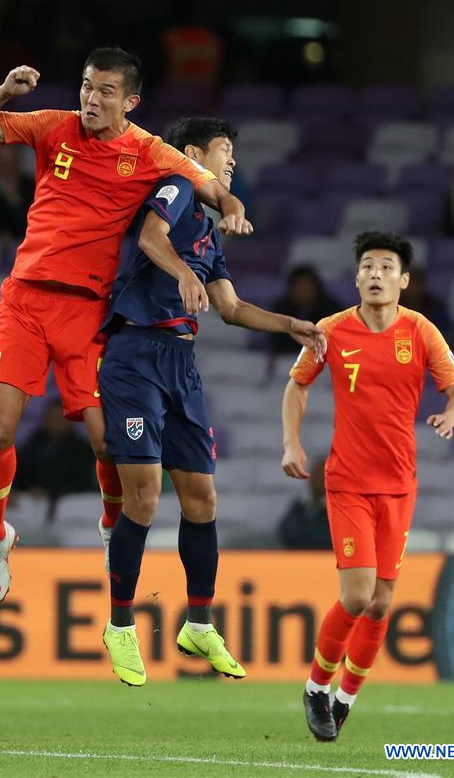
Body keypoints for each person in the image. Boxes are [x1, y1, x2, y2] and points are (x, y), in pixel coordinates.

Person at [0, 48, 251, 605]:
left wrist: (232, 205)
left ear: (130, 101)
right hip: (25, 299)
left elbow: (211, 187)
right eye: (87, 87)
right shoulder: (54, 125)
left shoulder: (149, 151)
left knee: (106, 441)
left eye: (106, 91)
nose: (91, 99)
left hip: (88, 309)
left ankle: (113, 527)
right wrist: (4, 93)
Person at [96, 117, 325, 687]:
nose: (232, 162)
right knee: (144, 496)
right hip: (134, 355)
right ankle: (120, 625)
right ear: (194, 153)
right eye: (225, 150)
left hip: (181, 363)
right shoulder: (176, 187)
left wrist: (289, 324)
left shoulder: (209, 230)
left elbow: (230, 307)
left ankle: (198, 623)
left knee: (202, 498)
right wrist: (182, 274)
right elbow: (149, 238)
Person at [282, 230, 454, 741]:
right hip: (347, 482)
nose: (375, 274)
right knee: (358, 596)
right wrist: (292, 443)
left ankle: (345, 698)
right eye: (367, 266)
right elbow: (297, 385)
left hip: (400, 484)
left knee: (383, 603)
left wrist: (450, 416)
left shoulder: (422, 331)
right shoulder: (331, 330)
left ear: (404, 281)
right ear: (356, 277)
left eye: (387, 267)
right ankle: (316, 687)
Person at [17, 399, 97, 518]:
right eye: (52, 419)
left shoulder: (83, 450)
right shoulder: (34, 444)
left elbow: (82, 483)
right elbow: (20, 474)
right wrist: (26, 490)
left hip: (70, 509)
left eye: (60, 419)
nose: (56, 424)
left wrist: (50, 492)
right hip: (33, 506)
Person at [270, 265, 342, 356]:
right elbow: (278, 342)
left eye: (307, 287)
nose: (303, 293)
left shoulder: (332, 310)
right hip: (287, 359)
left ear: (317, 288)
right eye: (299, 288)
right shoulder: (281, 309)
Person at [277, 456, 332, 551]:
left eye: (321, 477)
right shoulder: (299, 509)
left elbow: (324, 540)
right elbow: (286, 533)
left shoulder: (335, 511)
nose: (317, 481)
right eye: (315, 476)